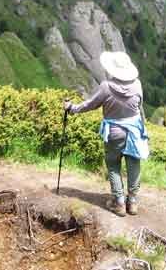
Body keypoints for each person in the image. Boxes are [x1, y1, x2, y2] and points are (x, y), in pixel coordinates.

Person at [64, 51, 149, 217]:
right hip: (134, 131)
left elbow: (90, 104)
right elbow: (139, 106)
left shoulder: (106, 87)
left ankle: (119, 203)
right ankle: (132, 202)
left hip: (114, 133)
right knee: (133, 164)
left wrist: (71, 108)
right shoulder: (137, 85)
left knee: (113, 165)